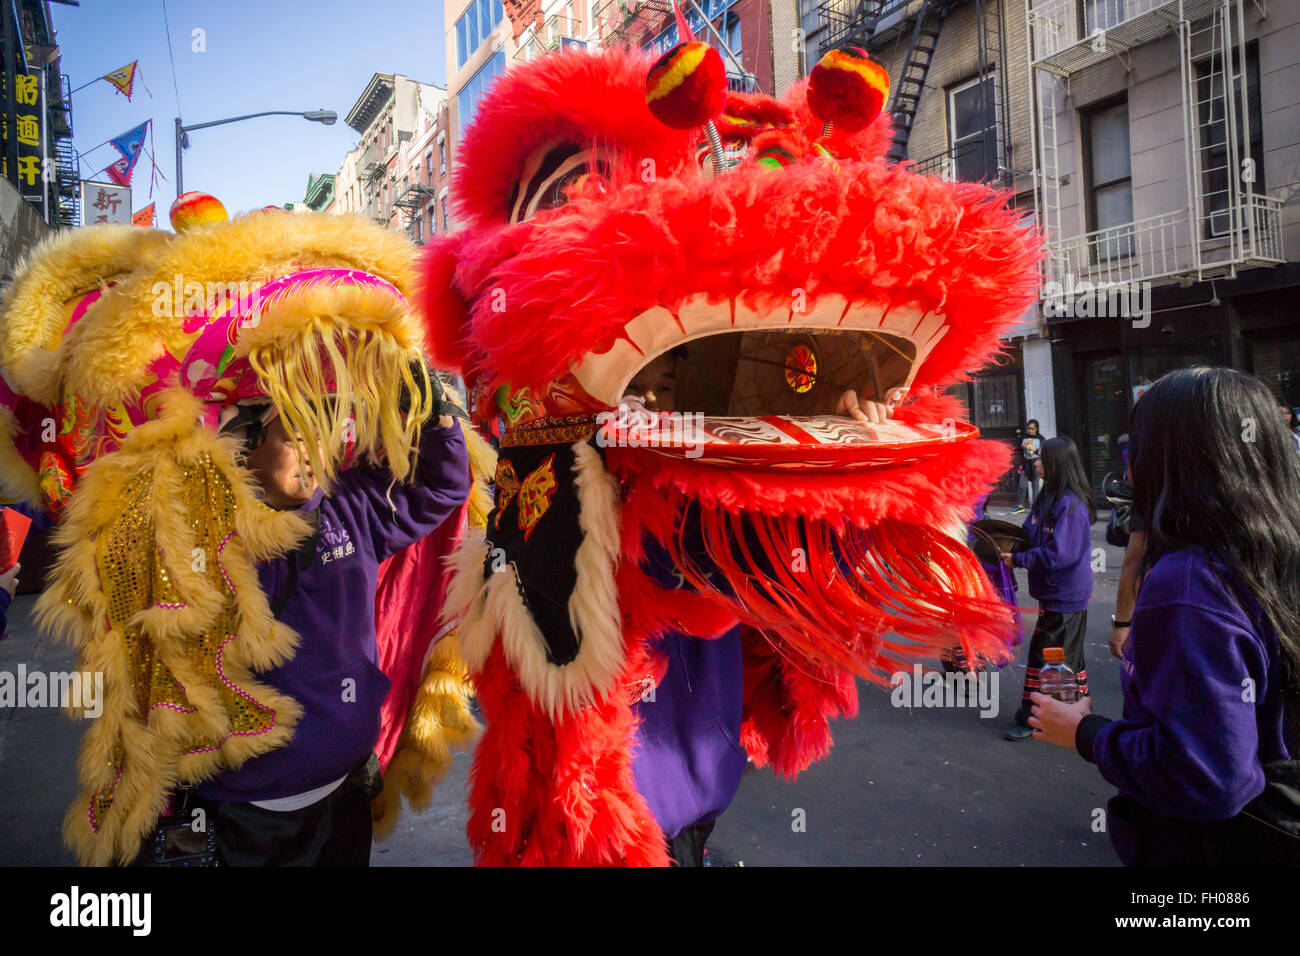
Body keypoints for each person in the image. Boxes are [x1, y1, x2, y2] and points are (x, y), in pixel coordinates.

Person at [1031, 367, 1300, 865]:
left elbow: (1207, 775)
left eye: (1139, 449)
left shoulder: (1189, 584)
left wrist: (1087, 733)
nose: (1130, 470)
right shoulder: (1273, 549)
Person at [1000, 436, 1095, 741]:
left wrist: (1020, 559)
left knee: (1052, 658)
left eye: (1041, 459)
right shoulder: (1047, 498)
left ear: (1056, 464)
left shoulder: (1072, 505)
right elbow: (1028, 532)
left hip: (1066, 595)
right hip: (1052, 594)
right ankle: (1073, 714)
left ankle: (1038, 719)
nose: (1036, 463)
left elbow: (1060, 554)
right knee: (1064, 657)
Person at [1012, 420, 1043, 514]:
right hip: (1025, 465)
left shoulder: (1041, 439)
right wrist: (1022, 445)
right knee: (1022, 485)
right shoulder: (1023, 437)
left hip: (1035, 465)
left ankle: (1035, 507)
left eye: (1032, 428)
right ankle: (1020, 505)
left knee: (1035, 487)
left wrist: (1036, 450)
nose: (1030, 430)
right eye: (1028, 428)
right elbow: (1017, 449)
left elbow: (1043, 452)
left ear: (1036, 429)